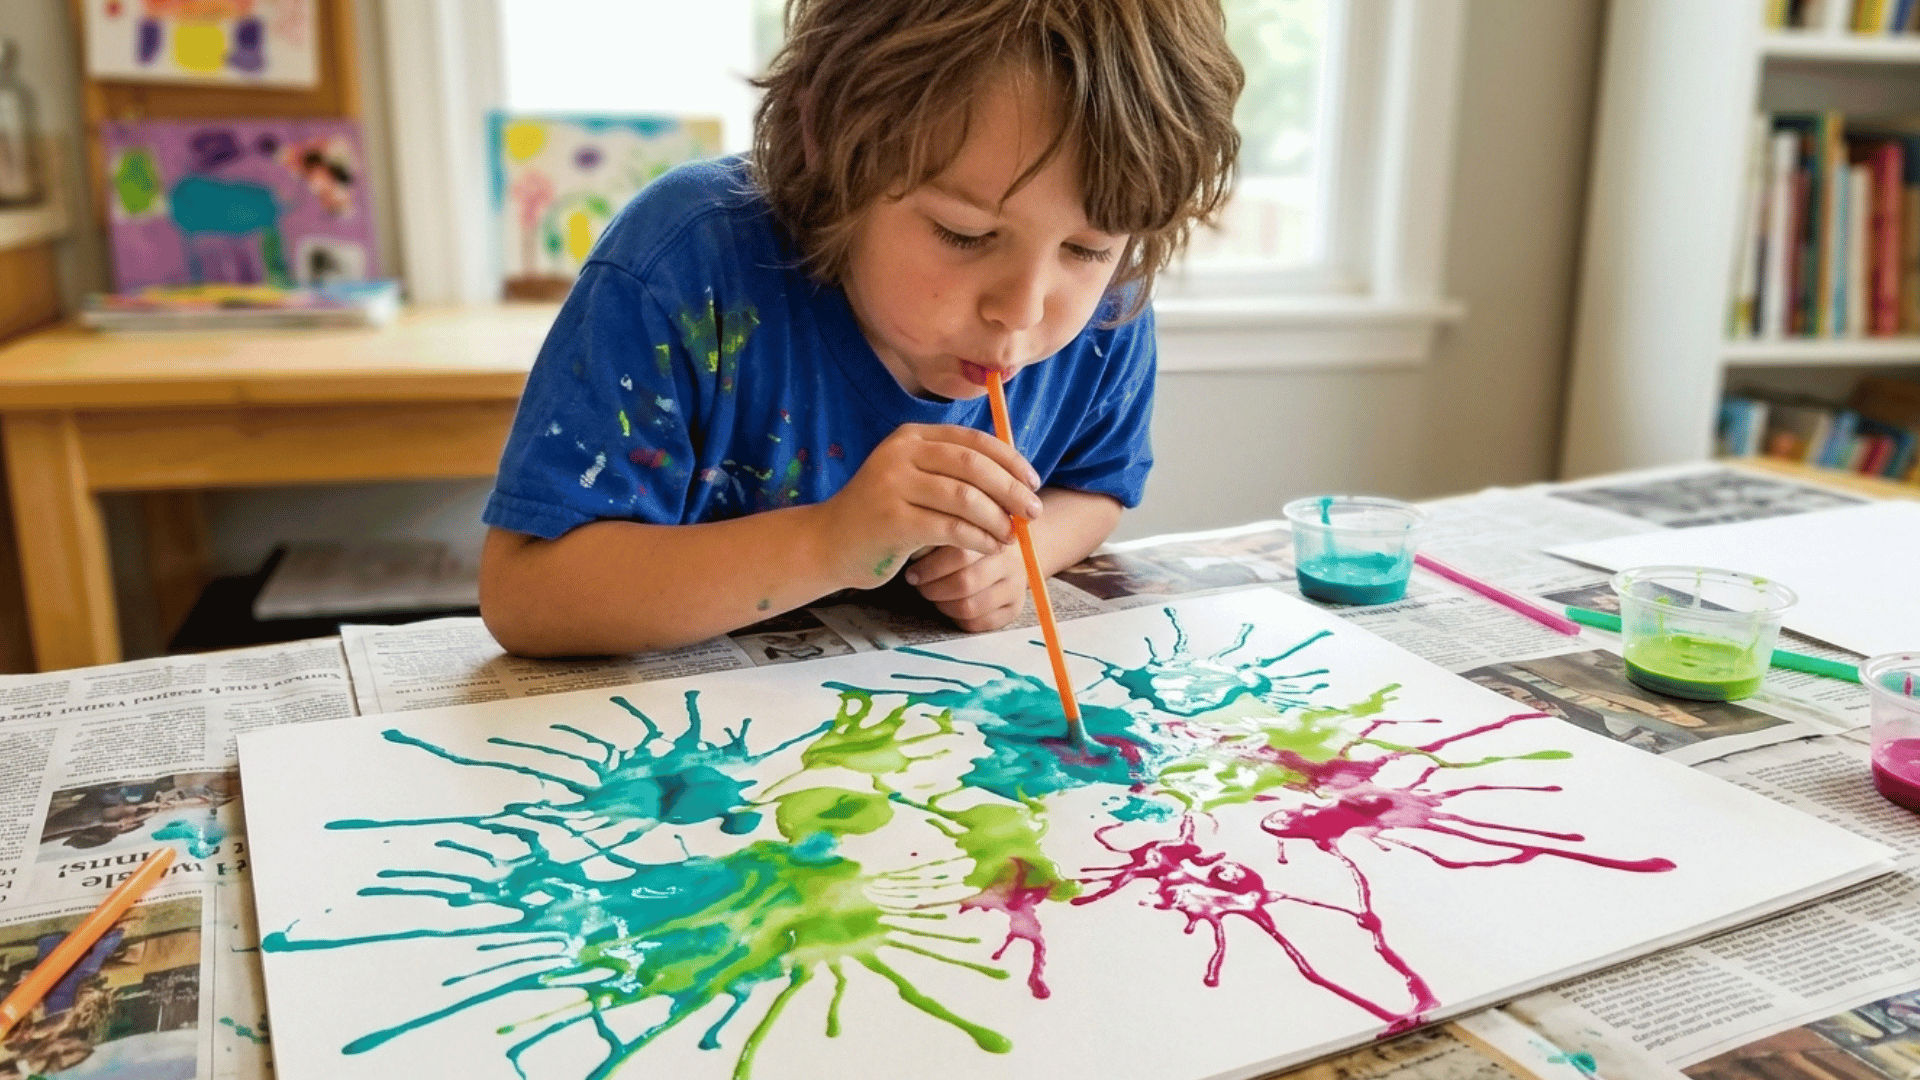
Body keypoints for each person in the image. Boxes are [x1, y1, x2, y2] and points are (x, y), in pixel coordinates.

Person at [480, 0, 1244, 657]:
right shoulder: (687, 265)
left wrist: (1023, 555)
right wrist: (829, 542)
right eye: (965, 234)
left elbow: (1096, 487)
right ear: (830, 143)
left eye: (1087, 250)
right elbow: (525, 593)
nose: (1023, 309)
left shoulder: (1107, 305)